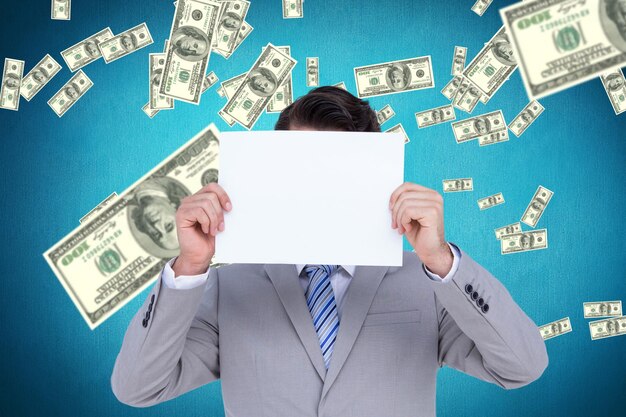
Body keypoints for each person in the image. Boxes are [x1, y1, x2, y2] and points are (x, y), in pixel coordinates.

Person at [111, 86, 549, 416]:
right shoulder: (229, 285)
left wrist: (442, 262)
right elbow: (138, 388)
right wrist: (188, 268)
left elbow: (522, 366)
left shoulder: (427, 281)